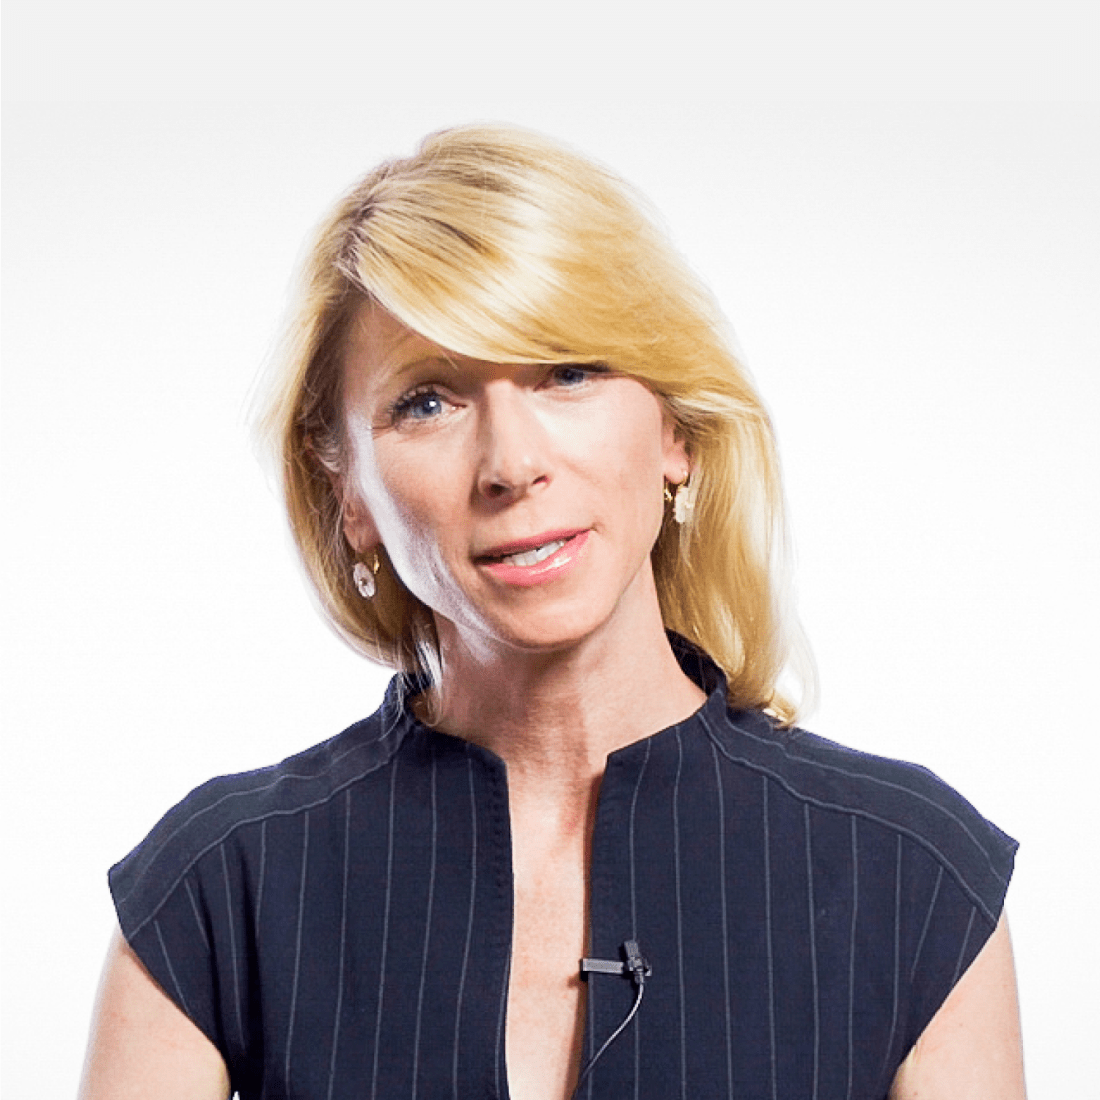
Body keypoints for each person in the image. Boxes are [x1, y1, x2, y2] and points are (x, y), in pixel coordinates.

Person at [79, 125, 1024, 1100]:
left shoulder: (916, 879)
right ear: (348, 490)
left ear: (675, 431)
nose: (511, 462)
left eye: (566, 371)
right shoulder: (212, 890)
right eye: (427, 401)